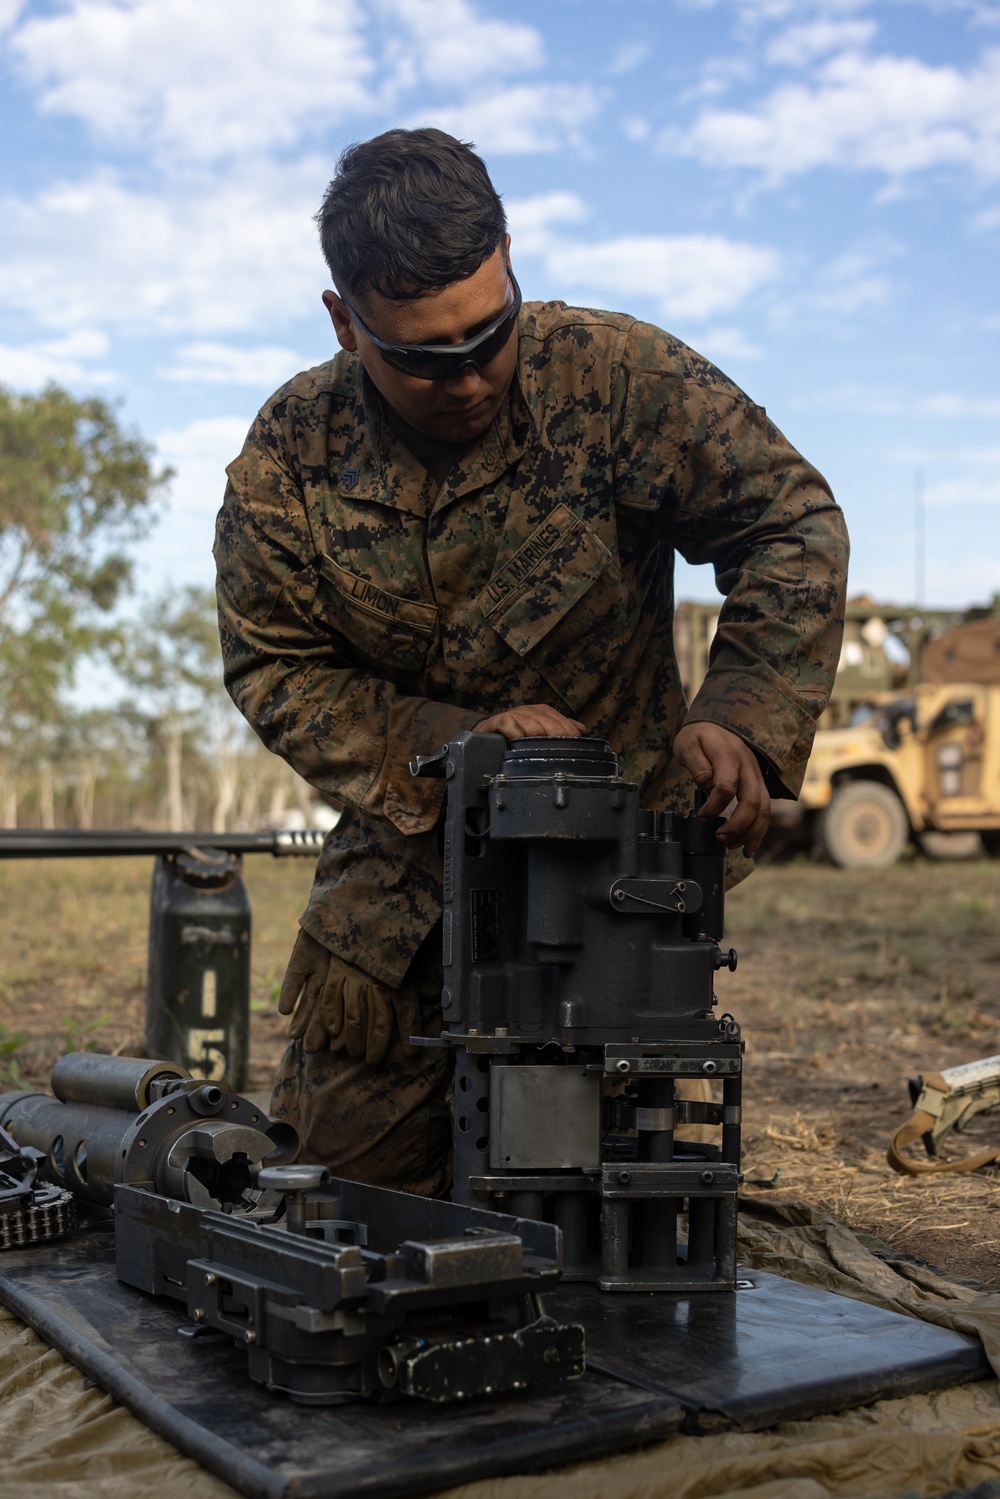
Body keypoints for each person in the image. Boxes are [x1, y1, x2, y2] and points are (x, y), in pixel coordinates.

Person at [214, 128, 848, 1195]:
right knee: (333, 1216)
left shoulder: (617, 377)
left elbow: (790, 522)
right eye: (422, 357)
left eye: (488, 335)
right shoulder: (290, 454)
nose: (465, 379)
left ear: (510, 257)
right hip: (405, 897)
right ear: (343, 321)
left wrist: (743, 705)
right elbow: (276, 666)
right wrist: (451, 744)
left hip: (610, 894)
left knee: (609, 1218)